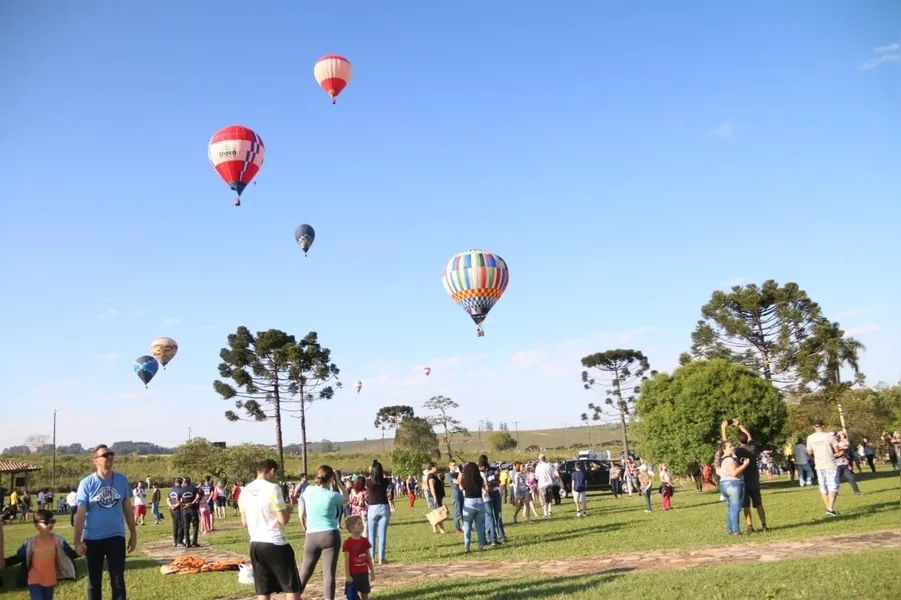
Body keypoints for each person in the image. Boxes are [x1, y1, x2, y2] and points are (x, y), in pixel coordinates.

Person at [73, 444, 137, 600]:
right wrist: (77, 542)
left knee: (118, 580)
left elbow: (128, 509)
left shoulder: (121, 480)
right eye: (105, 455)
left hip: (116, 536)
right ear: (96, 461)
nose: (110, 457)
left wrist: (133, 534)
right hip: (93, 538)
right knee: (94, 581)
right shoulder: (87, 483)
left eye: (111, 454)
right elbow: (80, 514)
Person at [238, 459, 301, 600]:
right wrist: (288, 510)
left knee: (263, 589)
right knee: (291, 587)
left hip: (255, 544)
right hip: (275, 542)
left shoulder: (244, 491)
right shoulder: (273, 489)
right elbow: (283, 520)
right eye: (275, 473)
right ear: (272, 471)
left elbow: (244, 522)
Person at [298, 465, 348, 600]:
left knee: (305, 571)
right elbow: (346, 498)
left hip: (311, 535)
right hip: (329, 534)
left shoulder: (308, 490)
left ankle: (293, 596)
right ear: (331, 478)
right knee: (329, 574)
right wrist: (338, 482)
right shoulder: (333, 495)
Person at [5, 509, 79, 597]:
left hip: (50, 579)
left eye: (52, 521)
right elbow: (19, 556)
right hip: (34, 579)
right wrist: (5, 562)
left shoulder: (58, 541)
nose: (50, 524)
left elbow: (70, 554)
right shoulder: (30, 543)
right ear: (36, 525)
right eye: (46, 522)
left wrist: (79, 552)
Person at [722, 419, 769, 534]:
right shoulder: (752, 448)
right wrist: (740, 425)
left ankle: (750, 526)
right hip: (754, 480)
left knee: (746, 506)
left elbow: (725, 443)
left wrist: (724, 428)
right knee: (758, 504)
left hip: (743, 481)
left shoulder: (737, 451)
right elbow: (749, 435)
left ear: (738, 441)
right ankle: (764, 525)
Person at [717, 440, 752, 535]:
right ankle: (736, 530)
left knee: (730, 508)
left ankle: (729, 528)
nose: (733, 448)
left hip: (723, 484)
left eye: (733, 446)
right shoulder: (729, 460)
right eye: (730, 447)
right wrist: (745, 465)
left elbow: (718, 472)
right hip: (733, 484)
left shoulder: (720, 459)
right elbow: (734, 473)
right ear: (724, 449)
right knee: (735, 508)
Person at [807, 419, 840, 517]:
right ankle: (830, 508)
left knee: (823, 487)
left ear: (813, 427)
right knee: (833, 486)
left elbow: (809, 452)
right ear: (823, 426)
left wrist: (814, 458)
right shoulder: (829, 436)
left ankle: (829, 509)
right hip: (830, 464)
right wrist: (839, 453)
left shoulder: (810, 438)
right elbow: (836, 450)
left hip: (818, 464)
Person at [365, 460, 393, 564]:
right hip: (384, 507)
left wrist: (370, 470)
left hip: (372, 508)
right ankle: (382, 558)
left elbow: (368, 478)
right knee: (382, 535)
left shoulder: (368, 482)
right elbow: (386, 479)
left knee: (371, 534)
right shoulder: (385, 481)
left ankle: (371, 557)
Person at [342, 516, 375, 600]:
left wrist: (372, 571)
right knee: (352, 595)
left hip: (364, 573)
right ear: (351, 528)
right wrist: (347, 575)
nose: (362, 526)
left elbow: (368, 556)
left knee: (365, 593)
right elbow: (346, 560)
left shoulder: (364, 541)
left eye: (362, 523)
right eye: (359, 524)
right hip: (353, 574)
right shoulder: (347, 543)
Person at [459, 462, 486, 553]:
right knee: (480, 527)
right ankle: (481, 546)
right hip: (480, 502)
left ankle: (467, 546)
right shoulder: (480, 479)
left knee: (467, 526)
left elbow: (461, 488)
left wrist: (460, 476)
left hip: (469, 503)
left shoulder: (465, 480)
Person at [425, 462, 447, 535]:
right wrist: (434, 497)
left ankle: (434, 527)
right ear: (432, 467)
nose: (437, 467)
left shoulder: (433, 475)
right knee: (439, 513)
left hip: (437, 496)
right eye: (436, 466)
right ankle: (441, 529)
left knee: (436, 512)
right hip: (435, 497)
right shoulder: (431, 476)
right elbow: (431, 487)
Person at [180, 477, 201, 548]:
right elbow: (198, 496)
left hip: (185, 509)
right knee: (195, 526)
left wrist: (185, 504)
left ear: (185, 482)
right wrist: (192, 502)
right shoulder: (194, 488)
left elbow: (178, 500)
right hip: (193, 509)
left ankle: (187, 543)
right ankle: (194, 542)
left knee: (186, 526)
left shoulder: (181, 489)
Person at [167, 477, 185, 547]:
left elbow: (168, 499)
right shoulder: (181, 490)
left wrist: (171, 506)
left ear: (175, 482)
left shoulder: (171, 490)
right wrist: (176, 506)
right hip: (178, 509)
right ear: (181, 483)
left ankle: (175, 541)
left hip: (172, 510)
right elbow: (181, 500)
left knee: (175, 525)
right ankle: (179, 540)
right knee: (181, 524)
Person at [447, 459, 463, 533]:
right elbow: (457, 482)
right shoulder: (449, 475)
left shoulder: (457, 474)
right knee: (457, 512)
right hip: (456, 494)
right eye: (453, 465)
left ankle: (465, 526)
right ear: (449, 466)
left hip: (461, 493)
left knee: (463, 511)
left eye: (455, 465)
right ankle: (457, 528)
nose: (455, 466)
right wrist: (460, 473)